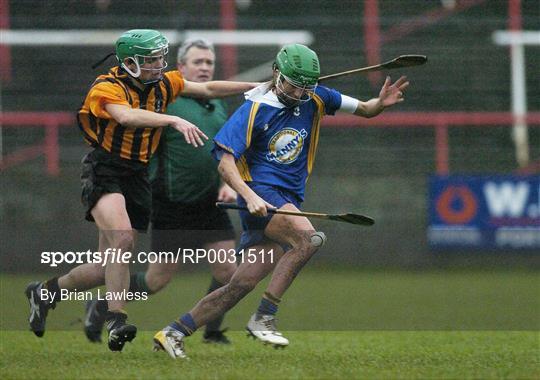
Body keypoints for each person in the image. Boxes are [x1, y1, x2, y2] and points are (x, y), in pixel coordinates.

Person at [152, 43, 410, 359]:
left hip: (286, 197)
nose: (300, 92)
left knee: (240, 284)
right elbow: (224, 160)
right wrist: (247, 195)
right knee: (309, 239)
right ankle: (264, 316)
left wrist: (380, 103)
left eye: (306, 87)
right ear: (277, 74)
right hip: (260, 194)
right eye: (294, 85)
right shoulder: (255, 107)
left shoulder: (318, 96)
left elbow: (366, 109)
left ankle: (173, 332)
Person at [25, 29, 256, 352]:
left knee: (103, 269)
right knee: (123, 238)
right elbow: (126, 115)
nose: (159, 65)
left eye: (161, 58)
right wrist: (172, 121)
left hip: (136, 178)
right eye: (152, 60)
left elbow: (207, 87)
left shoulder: (162, 83)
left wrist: (257, 87)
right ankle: (116, 319)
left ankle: (45, 292)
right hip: (105, 169)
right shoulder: (106, 87)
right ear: (131, 63)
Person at [82, 38, 238, 345]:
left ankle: (212, 330)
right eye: (198, 62)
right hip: (171, 204)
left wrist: (227, 184)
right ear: (181, 67)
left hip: (209, 202)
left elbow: (226, 150)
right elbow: (134, 136)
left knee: (228, 270)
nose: (205, 67)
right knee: (157, 280)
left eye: (209, 62)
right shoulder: (163, 98)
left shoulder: (217, 102)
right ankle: (102, 307)